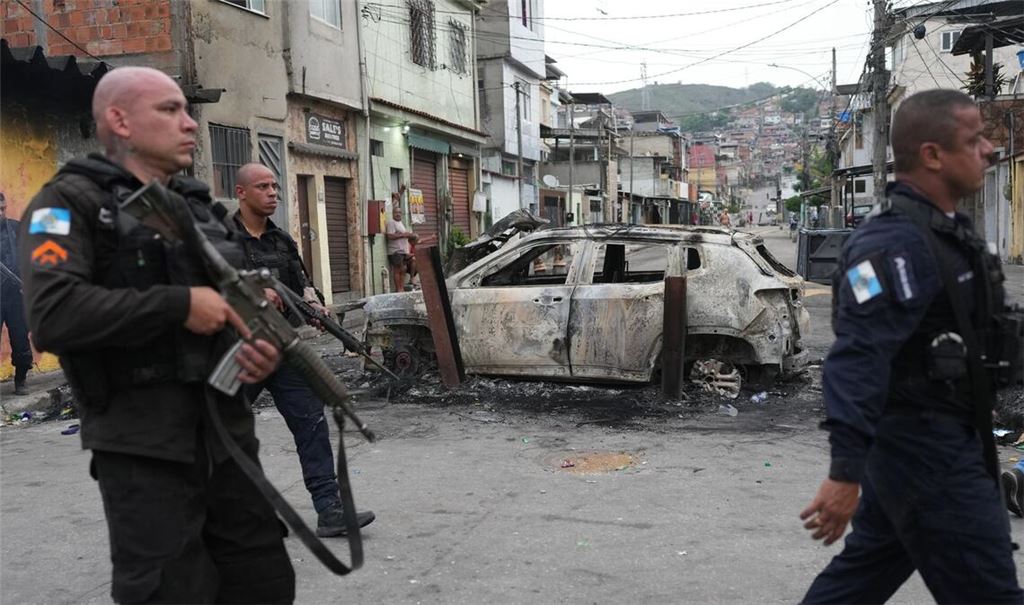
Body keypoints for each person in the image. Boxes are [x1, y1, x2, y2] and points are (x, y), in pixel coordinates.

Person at [18, 67, 295, 604]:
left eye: (186, 110)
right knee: (170, 592)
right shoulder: (66, 205)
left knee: (263, 583)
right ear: (119, 120)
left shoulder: (200, 209)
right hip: (143, 446)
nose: (189, 124)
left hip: (226, 434)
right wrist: (179, 306)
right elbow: (52, 314)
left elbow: (229, 306)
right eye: (169, 110)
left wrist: (253, 350)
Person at [799, 89, 1022, 603]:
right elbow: (857, 359)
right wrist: (844, 473)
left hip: (940, 440)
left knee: (864, 573)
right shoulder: (892, 245)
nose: (989, 150)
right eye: (975, 139)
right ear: (932, 154)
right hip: (926, 452)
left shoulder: (948, 234)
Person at [232, 162, 375, 537]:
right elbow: (205, 291)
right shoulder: (221, 241)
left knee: (311, 426)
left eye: (275, 186)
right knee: (224, 431)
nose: (273, 192)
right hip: (240, 349)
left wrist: (316, 308)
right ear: (241, 192)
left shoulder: (282, 241)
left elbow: (303, 284)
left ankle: (329, 510)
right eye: (263, 186)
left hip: (285, 349)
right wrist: (250, 293)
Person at [0, 192, 33, 395]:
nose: (1, 213)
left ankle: (20, 379)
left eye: (3, 208)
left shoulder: (17, 228)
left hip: (15, 297)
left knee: (21, 341)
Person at [386, 199, 418, 292]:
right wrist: (404, 235)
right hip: (395, 251)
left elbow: (403, 235)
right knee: (398, 269)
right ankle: (398, 289)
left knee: (403, 268)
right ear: (393, 213)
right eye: (396, 212)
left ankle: (401, 288)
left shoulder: (400, 223)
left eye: (400, 212)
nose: (398, 214)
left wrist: (409, 235)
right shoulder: (391, 222)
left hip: (402, 251)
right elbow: (390, 236)